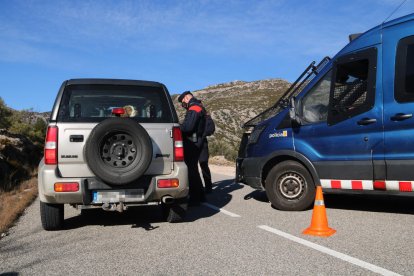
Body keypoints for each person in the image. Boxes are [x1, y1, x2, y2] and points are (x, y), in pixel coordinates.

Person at [178, 91, 206, 205]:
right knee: (193, 168)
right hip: (196, 140)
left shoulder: (194, 108)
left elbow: (188, 127)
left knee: (191, 169)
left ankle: (196, 197)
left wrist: (178, 127)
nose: (183, 103)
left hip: (192, 141)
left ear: (186, 97)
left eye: (183, 101)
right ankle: (199, 196)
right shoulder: (197, 106)